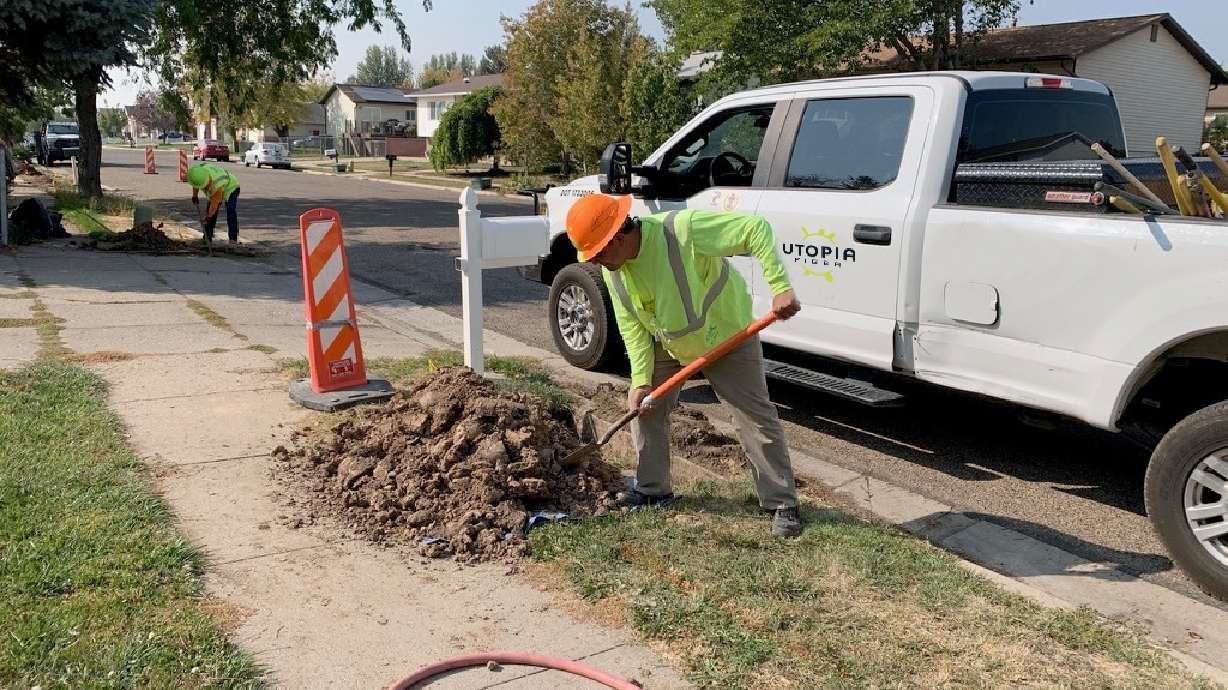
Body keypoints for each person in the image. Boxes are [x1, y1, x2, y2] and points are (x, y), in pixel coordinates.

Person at [565, 194, 804, 537]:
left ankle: (781, 502)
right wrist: (641, 380)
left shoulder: (681, 229)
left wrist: (780, 286)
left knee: (753, 417)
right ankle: (652, 490)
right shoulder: (614, 273)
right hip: (671, 342)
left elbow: (754, 229)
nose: (597, 261)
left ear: (616, 236)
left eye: (598, 252)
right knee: (645, 407)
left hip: (726, 335)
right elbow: (632, 327)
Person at [186, 163, 241, 245]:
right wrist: (195, 196)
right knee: (210, 212)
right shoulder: (199, 172)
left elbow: (214, 206)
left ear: (207, 182)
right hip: (217, 188)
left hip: (231, 187)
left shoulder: (217, 185)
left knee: (230, 211)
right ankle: (207, 238)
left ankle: (233, 240)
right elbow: (196, 183)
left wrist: (208, 217)